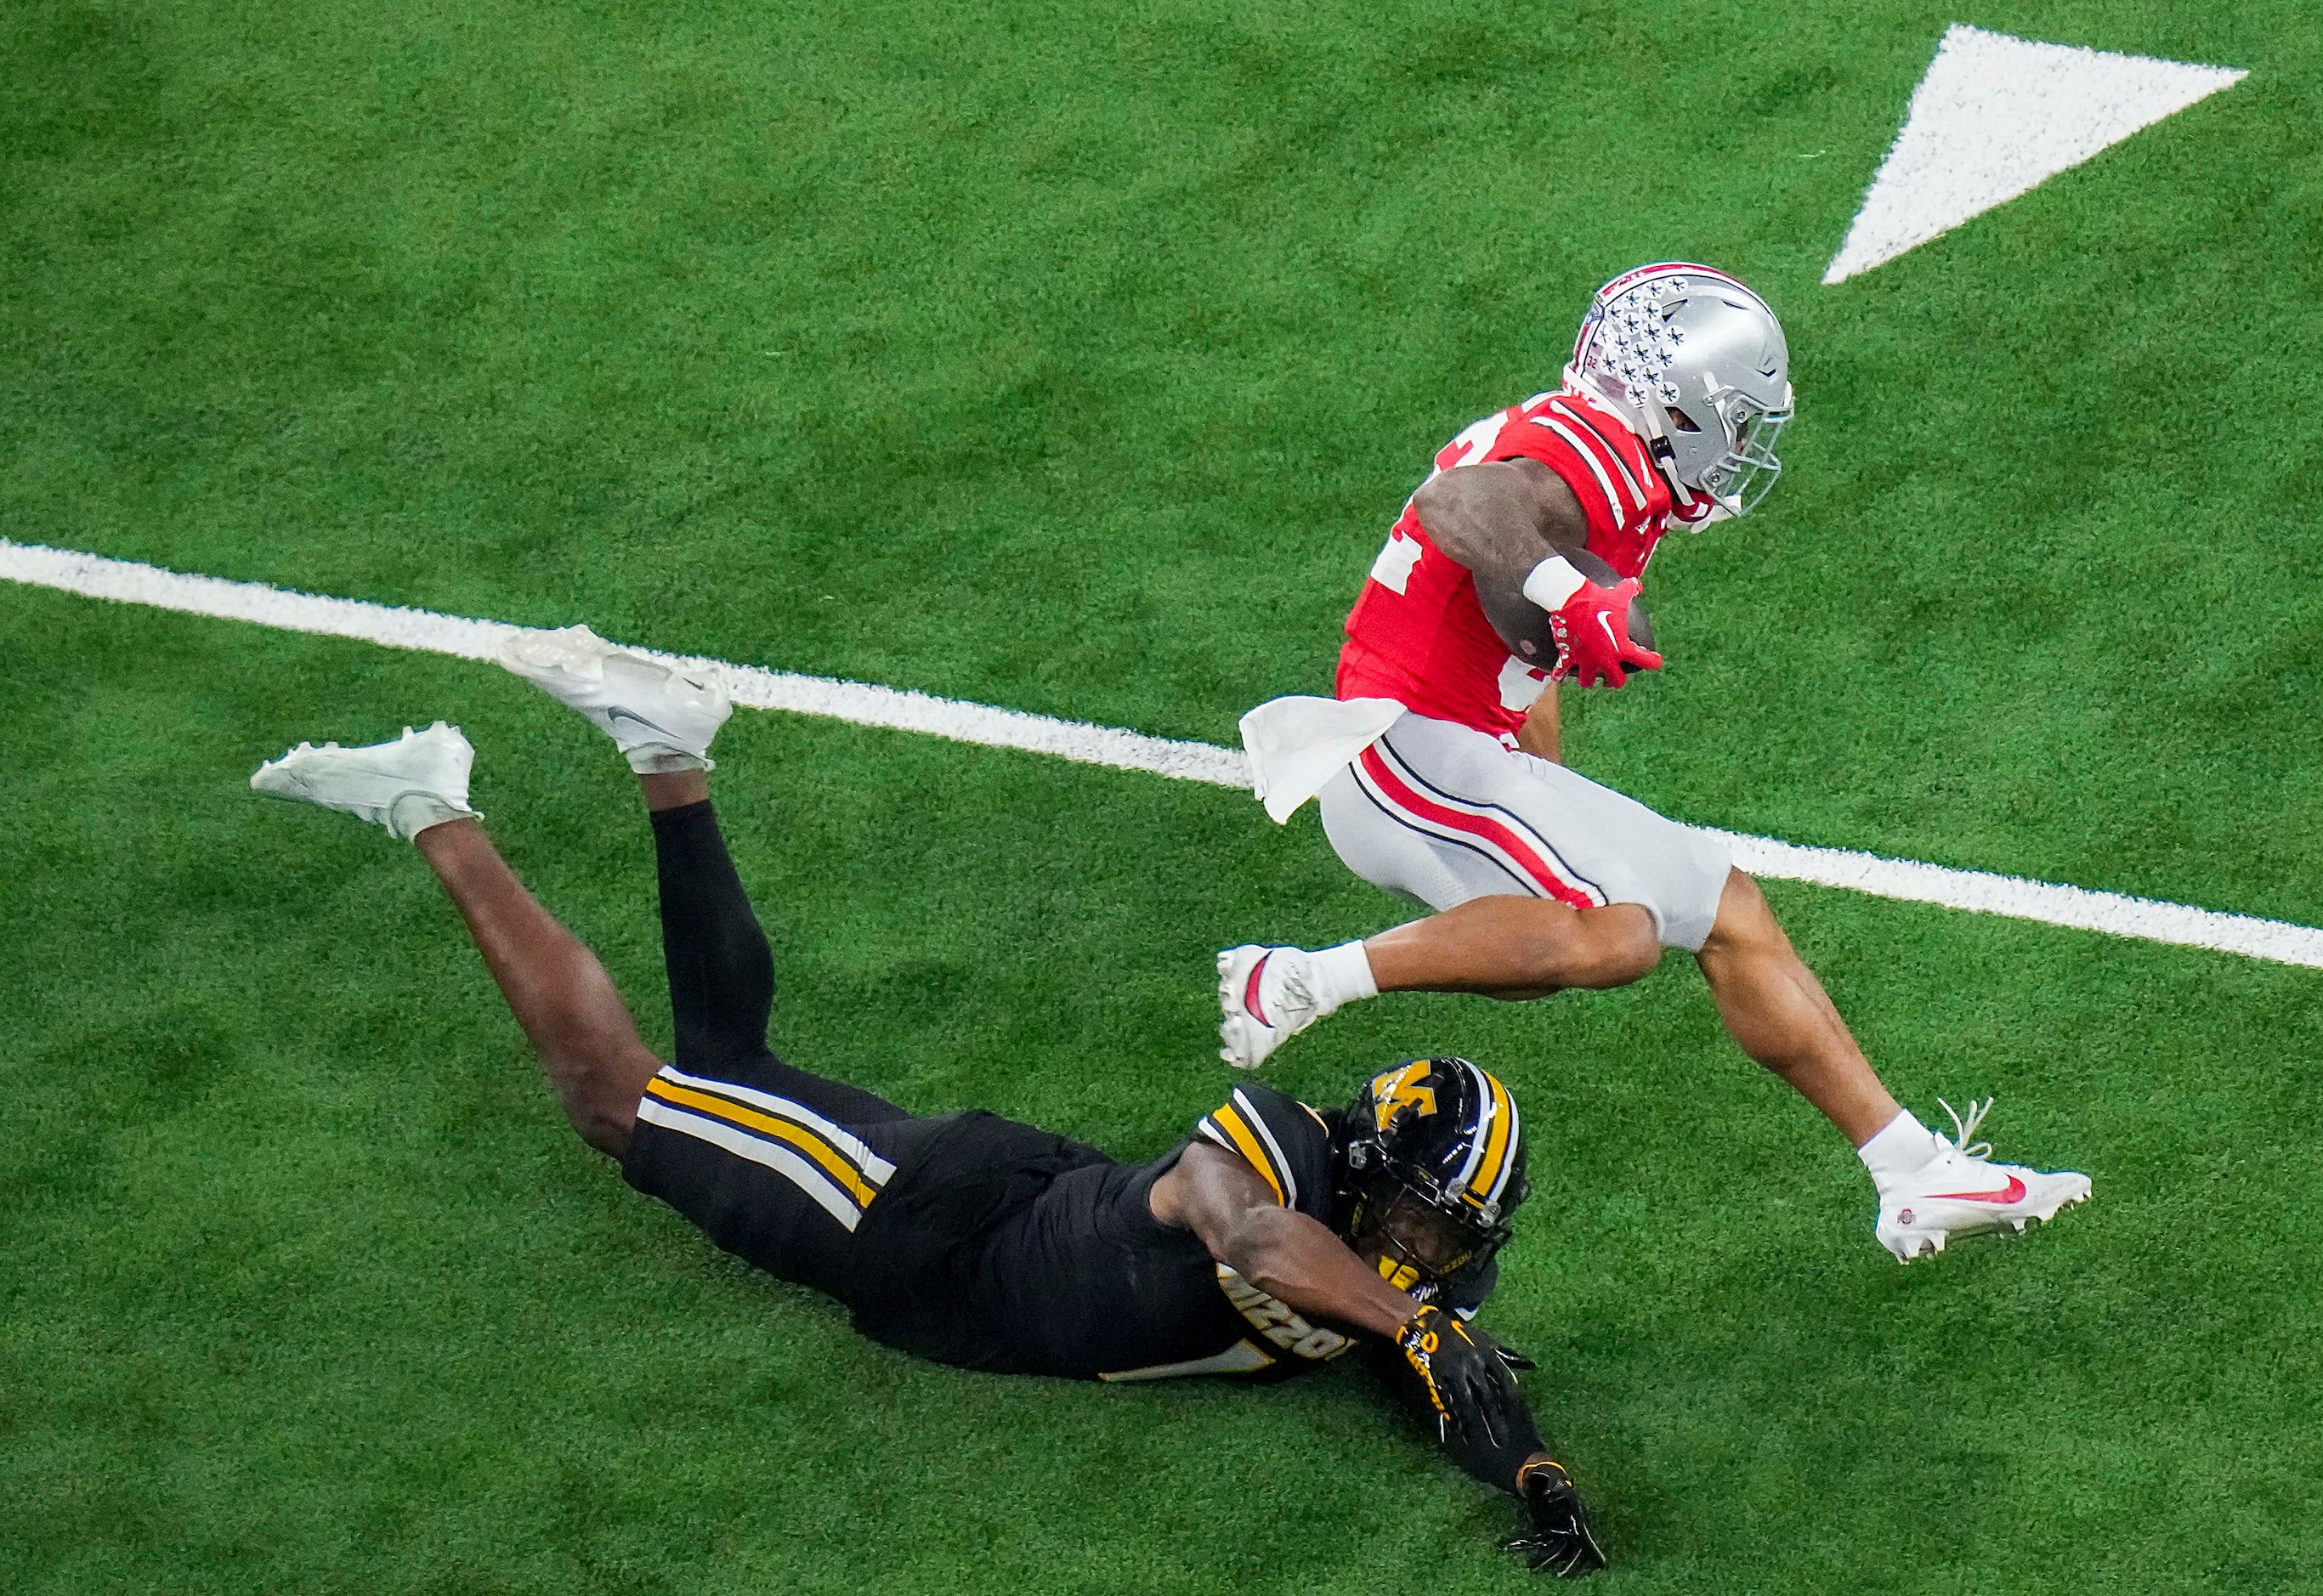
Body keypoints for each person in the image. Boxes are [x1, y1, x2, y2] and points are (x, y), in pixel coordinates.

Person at [249, 625, 1606, 1577]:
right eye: (1426, 1226)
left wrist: (1536, 1475)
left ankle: (667, 754)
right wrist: (1405, 1320)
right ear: (1366, 1161)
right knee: (622, 1103)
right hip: (918, 1226)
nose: (1432, 1258)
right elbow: (1240, 1229)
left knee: (729, 1056)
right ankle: (428, 801)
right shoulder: (1291, 1156)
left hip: (982, 1209)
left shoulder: (1393, 1279)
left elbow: (1445, 1375)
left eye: (1449, 1243)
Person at [1216, 263, 2089, 1263]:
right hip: (1396, 747)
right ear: (1683, 403)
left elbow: (1513, 637)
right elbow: (1465, 502)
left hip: (1457, 748)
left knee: (1722, 909)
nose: (1746, 449)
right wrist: (1561, 587)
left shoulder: (1619, 461)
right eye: (1742, 422)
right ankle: (1294, 981)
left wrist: (1545, 743)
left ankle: (1910, 1170)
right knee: (1617, 935)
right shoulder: (1594, 449)